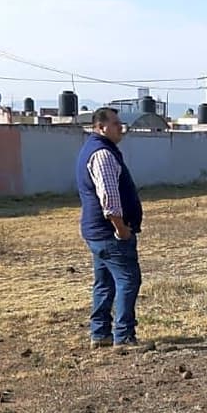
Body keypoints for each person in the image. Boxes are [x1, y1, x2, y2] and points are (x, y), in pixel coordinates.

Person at [76, 107, 143, 349]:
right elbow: (109, 198)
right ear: (100, 127)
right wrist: (121, 229)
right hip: (109, 233)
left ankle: (100, 333)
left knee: (104, 282)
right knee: (128, 280)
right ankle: (124, 336)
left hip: (96, 232)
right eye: (115, 123)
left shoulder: (92, 149)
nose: (120, 127)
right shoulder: (103, 154)